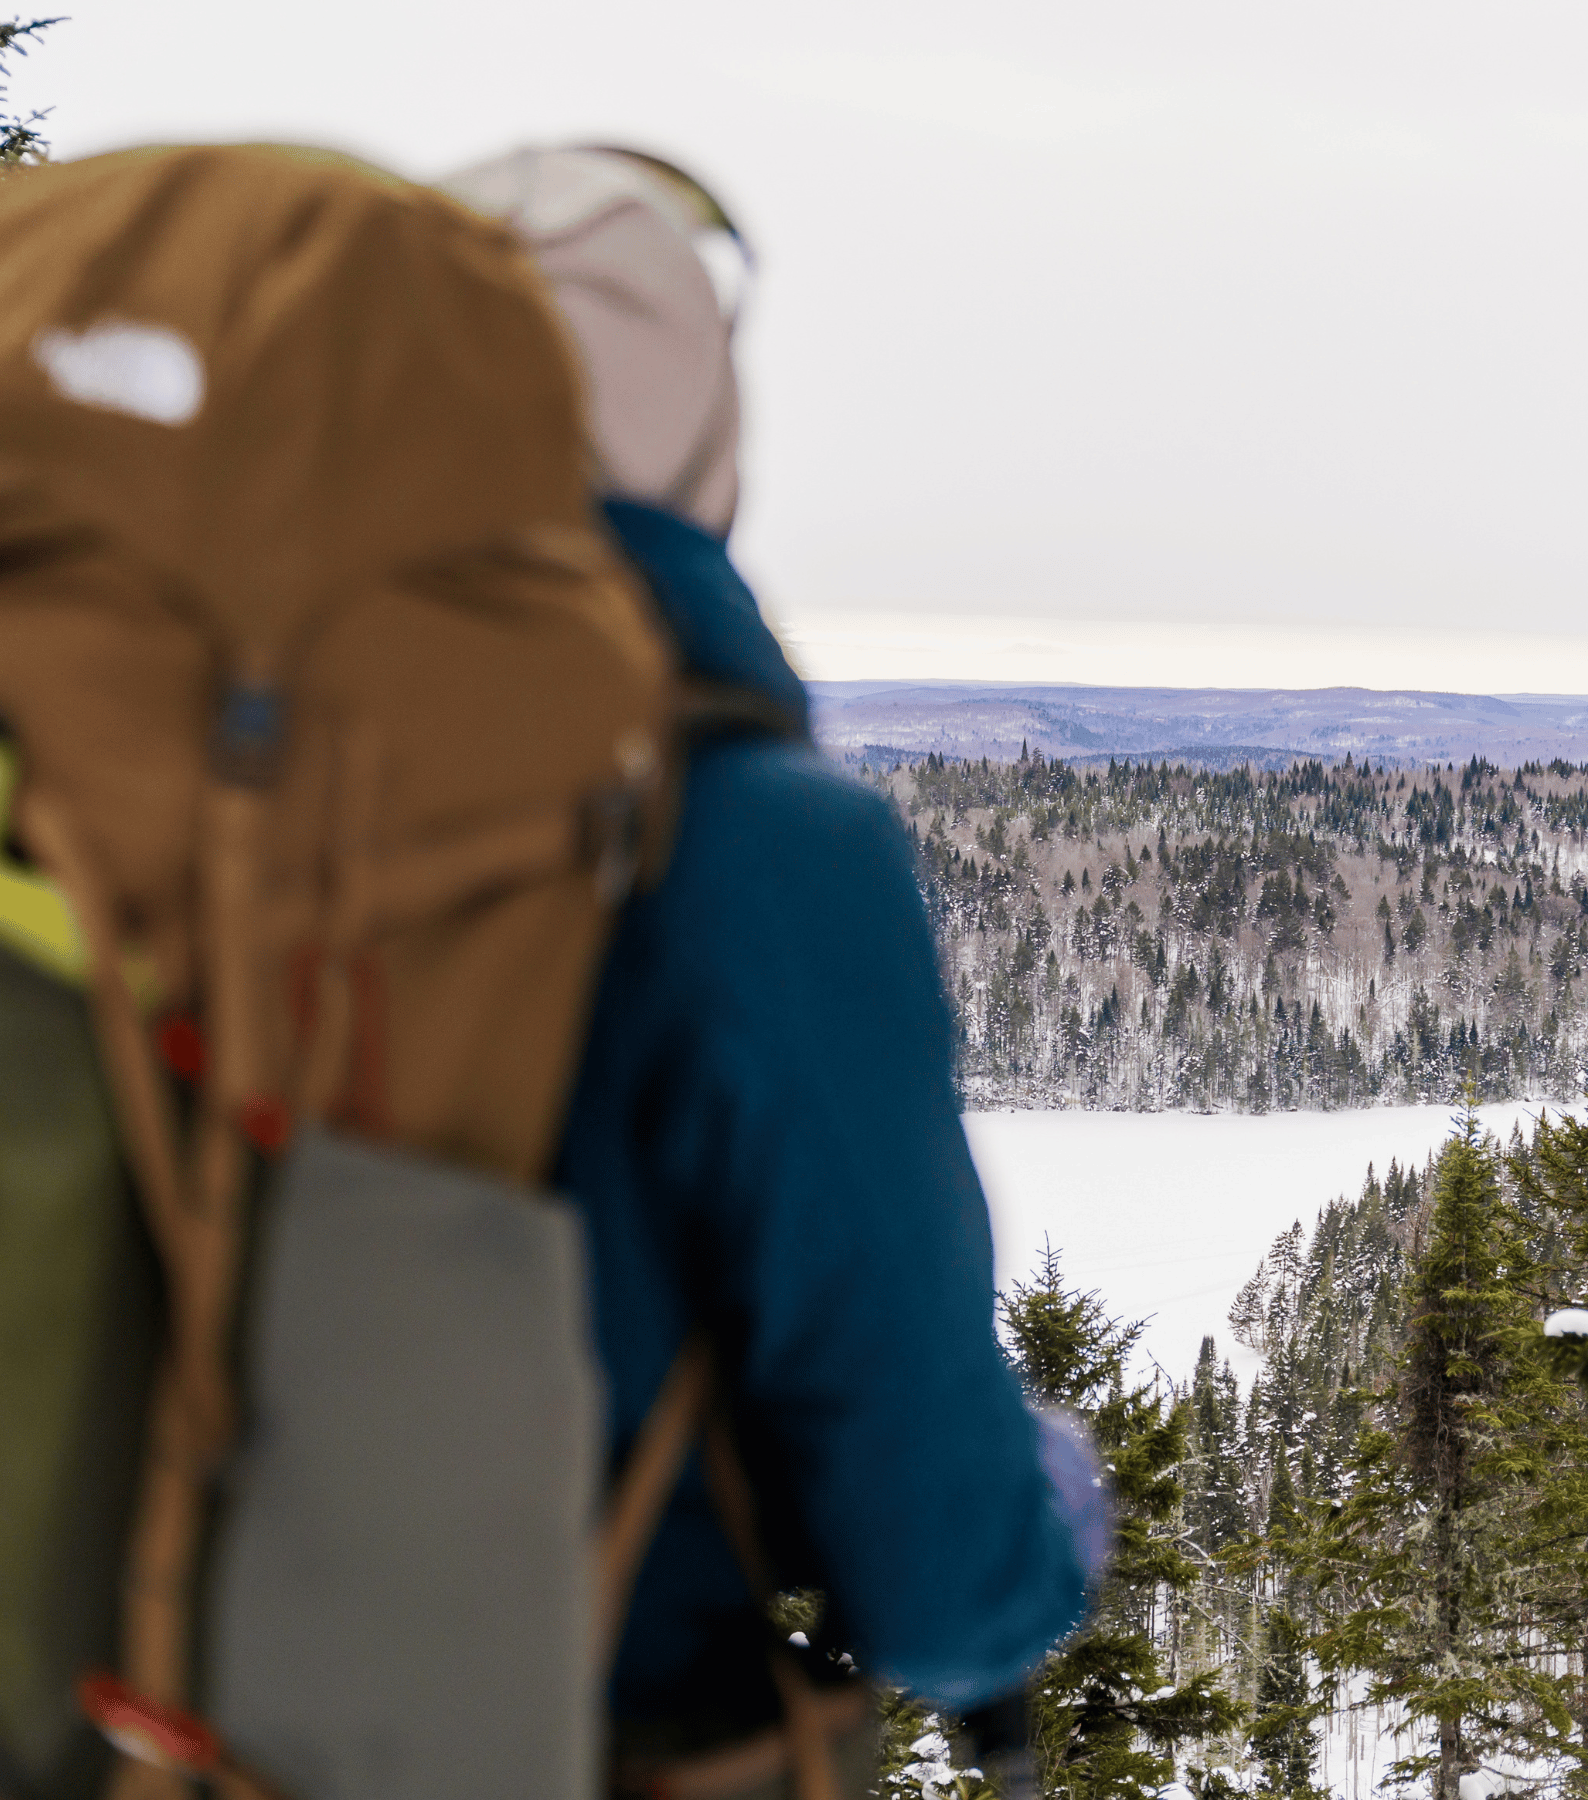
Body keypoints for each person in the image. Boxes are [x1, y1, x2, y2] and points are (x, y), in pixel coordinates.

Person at [439, 148, 1105, 1789]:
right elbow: (950, 1582)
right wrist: (1047, 1513)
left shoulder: (167, 794)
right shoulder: (750, 843)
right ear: (698, 433)